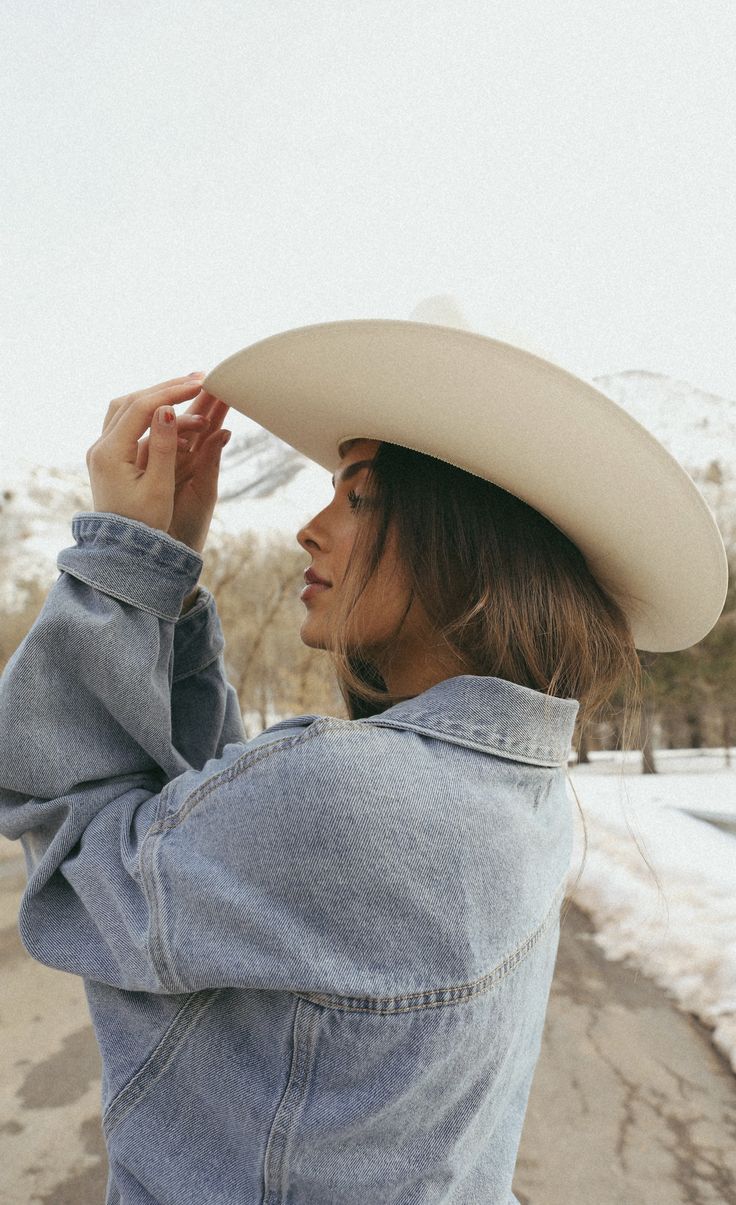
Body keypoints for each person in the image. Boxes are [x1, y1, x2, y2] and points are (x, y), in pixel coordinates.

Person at [0, 309, 727, 1205]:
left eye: (359, 498)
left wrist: (130, 561)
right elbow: (219, 819)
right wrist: (168, 575)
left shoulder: (357, 795)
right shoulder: (513, 787)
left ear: (471, 546)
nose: (313, 527)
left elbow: (74, 848)